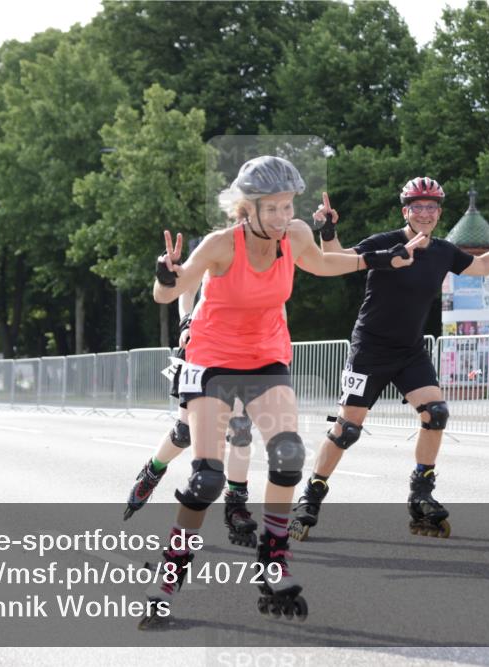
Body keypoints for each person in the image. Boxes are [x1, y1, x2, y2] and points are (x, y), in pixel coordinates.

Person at [139, 156, 423, 629]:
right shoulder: (219, 245)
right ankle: (167, 580)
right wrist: (166, 274)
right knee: (205, 480)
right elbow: (168, 294)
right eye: (270, 208)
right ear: (245, 208)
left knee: (289, 454)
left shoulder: (295, 235)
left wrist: (374, 259)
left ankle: (273, 563)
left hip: (266, 357)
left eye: (287, 206)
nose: (280, 216)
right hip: (211, 361)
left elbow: (324, 262)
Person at [291, 177, 489, 540]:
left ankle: (421, 493)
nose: (425, 213)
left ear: (439, 213)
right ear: (405, 211)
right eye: (418, 207)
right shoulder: (385, 243)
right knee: (347, 429)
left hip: (410, 351)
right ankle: (312, 495)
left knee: (436, 413)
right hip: (370, 350)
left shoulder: (443, 251)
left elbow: (484, 265)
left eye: (432, 207)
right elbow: (335, 260)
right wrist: (328, 230)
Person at [124, 283, 260, 549]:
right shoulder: (218, 244)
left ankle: (236, 505)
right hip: (203, 345)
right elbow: (185, 287)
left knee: (241, 431)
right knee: (184, 432)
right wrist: (186, 322)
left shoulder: (272, 253)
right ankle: (152, 472)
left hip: (243, 348)